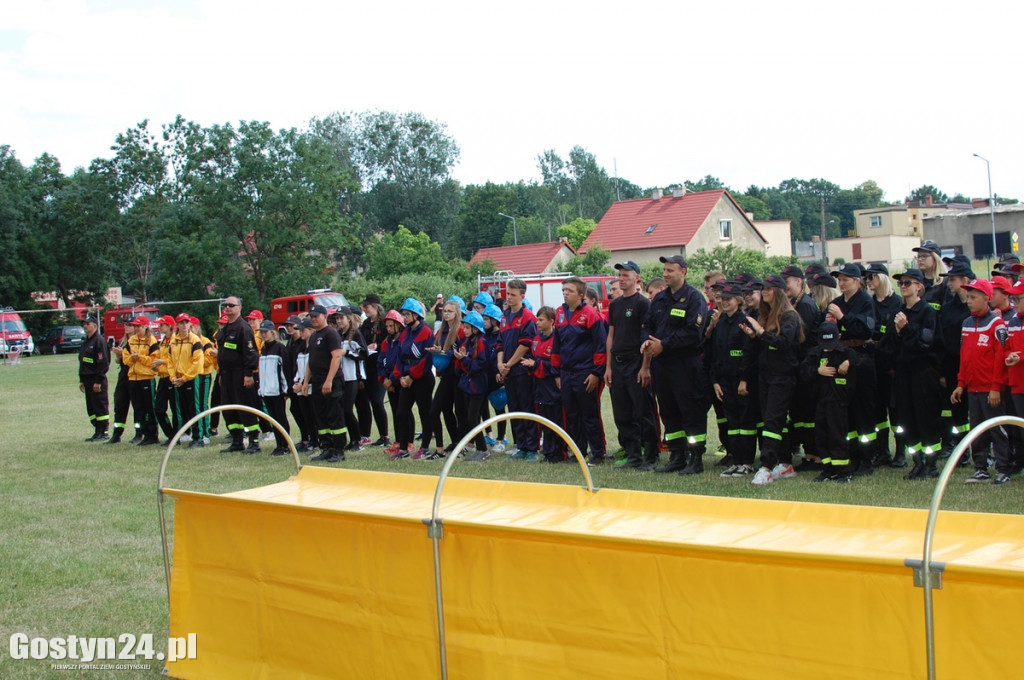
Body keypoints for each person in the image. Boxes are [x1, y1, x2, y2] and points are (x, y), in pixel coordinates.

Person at [641, 256, 709, 475]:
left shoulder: (694, 298)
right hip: (662, 366)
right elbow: (647, 325)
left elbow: (693, 332)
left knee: (690, 411)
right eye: (665, 270)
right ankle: (677, 455)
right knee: (668, 412)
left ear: (684, 272)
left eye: (671, 270)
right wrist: (647, 340)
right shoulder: (659, 299)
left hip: (685, 364)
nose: (666, 274)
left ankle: (695, 457)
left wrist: (664, 345)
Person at [741, 275, 804, 485]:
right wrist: (754, 335)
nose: (764, 292)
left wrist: (760, 331)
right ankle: (785, 463)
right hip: (766, 375)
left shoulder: (789, 316)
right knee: (776, 420)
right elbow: (767, 345)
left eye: (768, 289)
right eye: (763, 289)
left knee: (773, 421)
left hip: (783, 376)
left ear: (778, 291)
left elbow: (783, 343)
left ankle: (767, 467)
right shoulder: (765, 315)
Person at [951, 279, 1012, 485]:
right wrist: (961, 383)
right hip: (973, 389)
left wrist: (996, 388)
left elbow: (1000, 360)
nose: (969, 301)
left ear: (987, 299)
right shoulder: (966, 324)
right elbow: (965, 357)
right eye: (968, 297)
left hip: (990, 390)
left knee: (997, 429)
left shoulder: (997, 325)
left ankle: (1003, 469)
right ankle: (981, 469)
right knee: (976, 429)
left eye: (973, 297)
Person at [886, 269, 943, 479]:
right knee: (907, 420)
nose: (902, 286)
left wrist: (906, 329)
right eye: (900, 283)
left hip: (923, 373)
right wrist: (899, 331)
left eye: (907, 283)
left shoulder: (927, 312)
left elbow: (925, 344)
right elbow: (889, 346)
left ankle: (931, 464)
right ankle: (917, 462)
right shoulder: (898, 314)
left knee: (926, 419)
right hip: (902, 374)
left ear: (919, 286)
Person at [605, 261, 657, 470]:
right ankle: (633, 455)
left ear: (637, 278)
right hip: (617, 364)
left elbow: (649, 338)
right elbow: (611, 336)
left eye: (626, 275)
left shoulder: (643, 304)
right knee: (622, 413)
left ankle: (651, 456)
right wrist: (608, 367)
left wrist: (645, 367)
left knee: (643, 411)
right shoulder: (615, 305)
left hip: (636, 362)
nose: (622, 278)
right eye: (620, 274)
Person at [827, 263, 878, 475]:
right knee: (845, 411)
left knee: (864, 411)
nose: (841, 283)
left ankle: (867, 459)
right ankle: (852, 455)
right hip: (841, 356)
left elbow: (866, 329)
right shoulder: (837, 302)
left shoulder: (866, 301)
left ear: (857, 281)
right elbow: (828, 328)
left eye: (846, 279)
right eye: (839, 279)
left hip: (862, 357)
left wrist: (842, 318)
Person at [553, 276, 608, 465]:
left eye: (569, 290)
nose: (565, 293)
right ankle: (578, 452)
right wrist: (556, 373)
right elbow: (556, 345)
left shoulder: (591, 314)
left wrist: (596, 373)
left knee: (589, 415)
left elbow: (601, 346)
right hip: (566, 374)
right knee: (572, 415)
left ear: (580, 294)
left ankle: (598, 453)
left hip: (586, 374)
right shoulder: (559, 313)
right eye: (563, 290)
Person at [801, 322, 859, 482]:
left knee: (837, 435)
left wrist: (849, 363)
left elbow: (862, 359)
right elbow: (804, 372)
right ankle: (828, 468)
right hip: (820, 402)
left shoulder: (845, 353)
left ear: (838, 337)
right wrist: (817, 371)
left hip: (838, 403)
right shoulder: (815, 354)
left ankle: (844, 470)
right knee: (821, 435)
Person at [709, 284, 756, 478]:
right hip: (724, 380)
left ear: (739, 300)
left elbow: (749, 353)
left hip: (741, 380)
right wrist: (715, 381)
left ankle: (747, 463)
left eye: (729, 298)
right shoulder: (721, 324)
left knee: (745, 423)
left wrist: (744, 380)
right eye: (722, 298)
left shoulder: (744, 322)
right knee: (732, 422)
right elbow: (715, 354)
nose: (725, 301)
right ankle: (736, 461)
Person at [782, 265, 822, 470]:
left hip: (806, 365)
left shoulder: (805, 305)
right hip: (797, 366)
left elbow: (802, 339)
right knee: (798, 415)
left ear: (799, 282)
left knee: (808, 414)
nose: (785, 286)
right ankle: (808, 453)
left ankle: (814, 454)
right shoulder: (794, 303)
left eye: (787, 282)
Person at [300, 304, 348, 462]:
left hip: (331, 381)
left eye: (316, 316)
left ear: (324, 316)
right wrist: (306, 381)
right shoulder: (314, 336)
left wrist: (329, 380)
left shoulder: (331, 333)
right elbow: (310, 361)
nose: (313, 319)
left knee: (335, 416)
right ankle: (327, 447)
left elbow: (336, 357)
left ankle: (339, 450)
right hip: (317, 381)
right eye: (312, 316)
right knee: (321, 417)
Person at [498, 279, 539, 460]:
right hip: (508, 371)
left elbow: (525, 344)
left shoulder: (528, 317)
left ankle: (532, 448)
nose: (509, 297)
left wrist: (509, 364)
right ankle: (520, 446)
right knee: (514, 408)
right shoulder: (504, 316)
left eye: (513, 295)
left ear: (522, 296)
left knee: (526, 408)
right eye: (508, 294)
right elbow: (499, 343)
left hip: (522, 370)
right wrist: (501, 364)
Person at [865, 263, 902, 467]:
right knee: (878, 411)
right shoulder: (870, 303)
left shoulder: (896, 302)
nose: (868, 281)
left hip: (891, 364)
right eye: (867, 278)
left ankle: (901, 452)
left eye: (872, 277)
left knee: (895, 410)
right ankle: (882, 451)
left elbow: (895, 335)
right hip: (874, 363)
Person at [390, 298, 435, 460]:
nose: (405, 317)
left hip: (422, 378)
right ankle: (403, 449)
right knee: (401, 412)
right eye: (403, 314)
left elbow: (426, 358)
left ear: (416, 315)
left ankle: (425, 448)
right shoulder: (405, 333)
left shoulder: (426, 332)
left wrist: (411, 376)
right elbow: (399, 356)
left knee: (425, 413)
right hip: (406, 377)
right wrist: (400, 376)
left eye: (407, 314)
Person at [215, 296, 261, 453]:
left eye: (231, 305)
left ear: (239, 308)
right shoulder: (226, 328)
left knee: (245, 408)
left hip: (241, 375)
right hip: (226, 375)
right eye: (226, 305)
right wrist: (221, 373)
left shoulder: (243, 328)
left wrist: (248, 374)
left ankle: (254, 441)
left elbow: (251, 353)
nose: (228, 308)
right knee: (228, 409)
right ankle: (236, 440)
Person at [523, 306, 564, 463]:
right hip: (539, 387)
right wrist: (531, 364)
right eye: (537, 319)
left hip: (552, 387)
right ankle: (547, 451)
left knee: (556, 421)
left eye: (541, 320)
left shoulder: (556, 340)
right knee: (544, 420)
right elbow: (533, 360)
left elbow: (555, 363)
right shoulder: (536, 340)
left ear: (551, 321)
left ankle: (559, 452)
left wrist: (536, 363)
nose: (537, 323)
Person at [424, 300, 463, 459]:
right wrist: (435, 351)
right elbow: (435, 346)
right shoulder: (441, 331)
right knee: (437, 410)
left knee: (460, 413)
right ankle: (441, 448)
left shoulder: (460, 330)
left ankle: (461, 445)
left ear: (457, 313)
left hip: (458, 376)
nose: (446, 313)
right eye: (445, 311)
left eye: (450, 311)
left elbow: (463, 352)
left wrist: (445, 353)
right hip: (446, 375)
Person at [453, 311, 491, 461]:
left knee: (473, 419)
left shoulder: (482, 342)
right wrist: (459, 359)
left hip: (478, 387)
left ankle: (483, 450)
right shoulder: (465, 343)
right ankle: (478, 448)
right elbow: (460, 366)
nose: (464, 330)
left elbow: (479, 366)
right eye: (464, 327)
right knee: (469, 418)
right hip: (467, 386)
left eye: (468, 327)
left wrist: (464, 360)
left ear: (475, 329)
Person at [358, 294, 391, 447]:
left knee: (378, 401)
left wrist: (377, 346)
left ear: (376, 307)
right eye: (364, 306)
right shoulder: (365, 324)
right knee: (371, 401)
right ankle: (374, 434)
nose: (366, 308)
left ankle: (385, 435)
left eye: (368, 306)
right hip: (367, 367)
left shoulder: (384, 323)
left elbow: (389, 340)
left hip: (380, 366)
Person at [168, 313, 204, 446]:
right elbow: (170, 362)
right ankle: (184, 435)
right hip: (177, 379)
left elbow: (197, 363)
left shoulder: (195, 340)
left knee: (194, 408)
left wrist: (185, 378)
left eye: (186, 323)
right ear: (177, 325)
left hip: (190, 379)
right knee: (182, 409)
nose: (184, 325)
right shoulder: (174, 341)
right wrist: (173, 377)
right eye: (181, 323)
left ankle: (198, 438)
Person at [123, 317, 160, 446]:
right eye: (135, 326)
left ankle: (153, 434)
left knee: (149, 407)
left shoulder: (151, 341)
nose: (137, 328)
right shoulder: (131, 340)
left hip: (146, 378)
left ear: (145, 326)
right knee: (138, 408)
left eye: (139, 326)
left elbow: (154, 361)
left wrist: (140, 358)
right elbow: (125, 359)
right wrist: (132, 359)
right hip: (133, 378)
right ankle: (143, 433)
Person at [257, 319, 291, 456]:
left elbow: (285, 370)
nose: (264, 335)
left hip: (277, 390)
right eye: (262, 332)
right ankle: (279, 445)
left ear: (272, 332)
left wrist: (285, 389)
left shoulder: (280, 348)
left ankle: (285, 445)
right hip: (267, 391)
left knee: (280, 418)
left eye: (266, 332)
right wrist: (261, 388)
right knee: (273, 419)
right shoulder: (264, 348)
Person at [377, 310, 407, 455]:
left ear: (398, 325)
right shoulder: (385, 342)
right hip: (389, 381)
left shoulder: (404, 340)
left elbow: (400, 362)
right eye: (387, 326)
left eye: (391, 326)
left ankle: (408, 442)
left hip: (399, 380)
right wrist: (383, 379)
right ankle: (398, 440)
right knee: (395, 412)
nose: (388, 329)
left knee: (404, 412)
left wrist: (392, 379)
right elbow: (381, 361)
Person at [79, 315, 110, 441]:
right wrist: (81, 380)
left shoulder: (99, 341)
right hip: (87, 379)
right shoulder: (86, 341)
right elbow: (83, 362)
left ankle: (104, 432)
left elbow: (103, 364)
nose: (85, 326)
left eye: (88, 323)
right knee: (91, 407)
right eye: (84, 324)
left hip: (96, 379)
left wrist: (98, 381)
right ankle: (97, 430)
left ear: (95, 326)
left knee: (100, 405)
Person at [107, 334, 135, 444]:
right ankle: (117, 433)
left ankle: (139, 433)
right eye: (126, 325)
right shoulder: (123, 341)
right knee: (119, 404)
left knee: (138, 407)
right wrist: (118, 355)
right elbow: (118, 361)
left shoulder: (138, 341)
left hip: (135, 374)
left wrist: (122, 354)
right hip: (123, 375)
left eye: (130, 325)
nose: (127, 327)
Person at [192, 316, 215, 446]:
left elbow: (209, 360)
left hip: (204, 376)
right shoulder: (188, 341)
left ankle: (205, 433)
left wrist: (197, 360)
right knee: (194, 406)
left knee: (202, 405)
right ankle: (196, 432)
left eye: (191, 327)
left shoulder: (205, 342)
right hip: (193, 376)